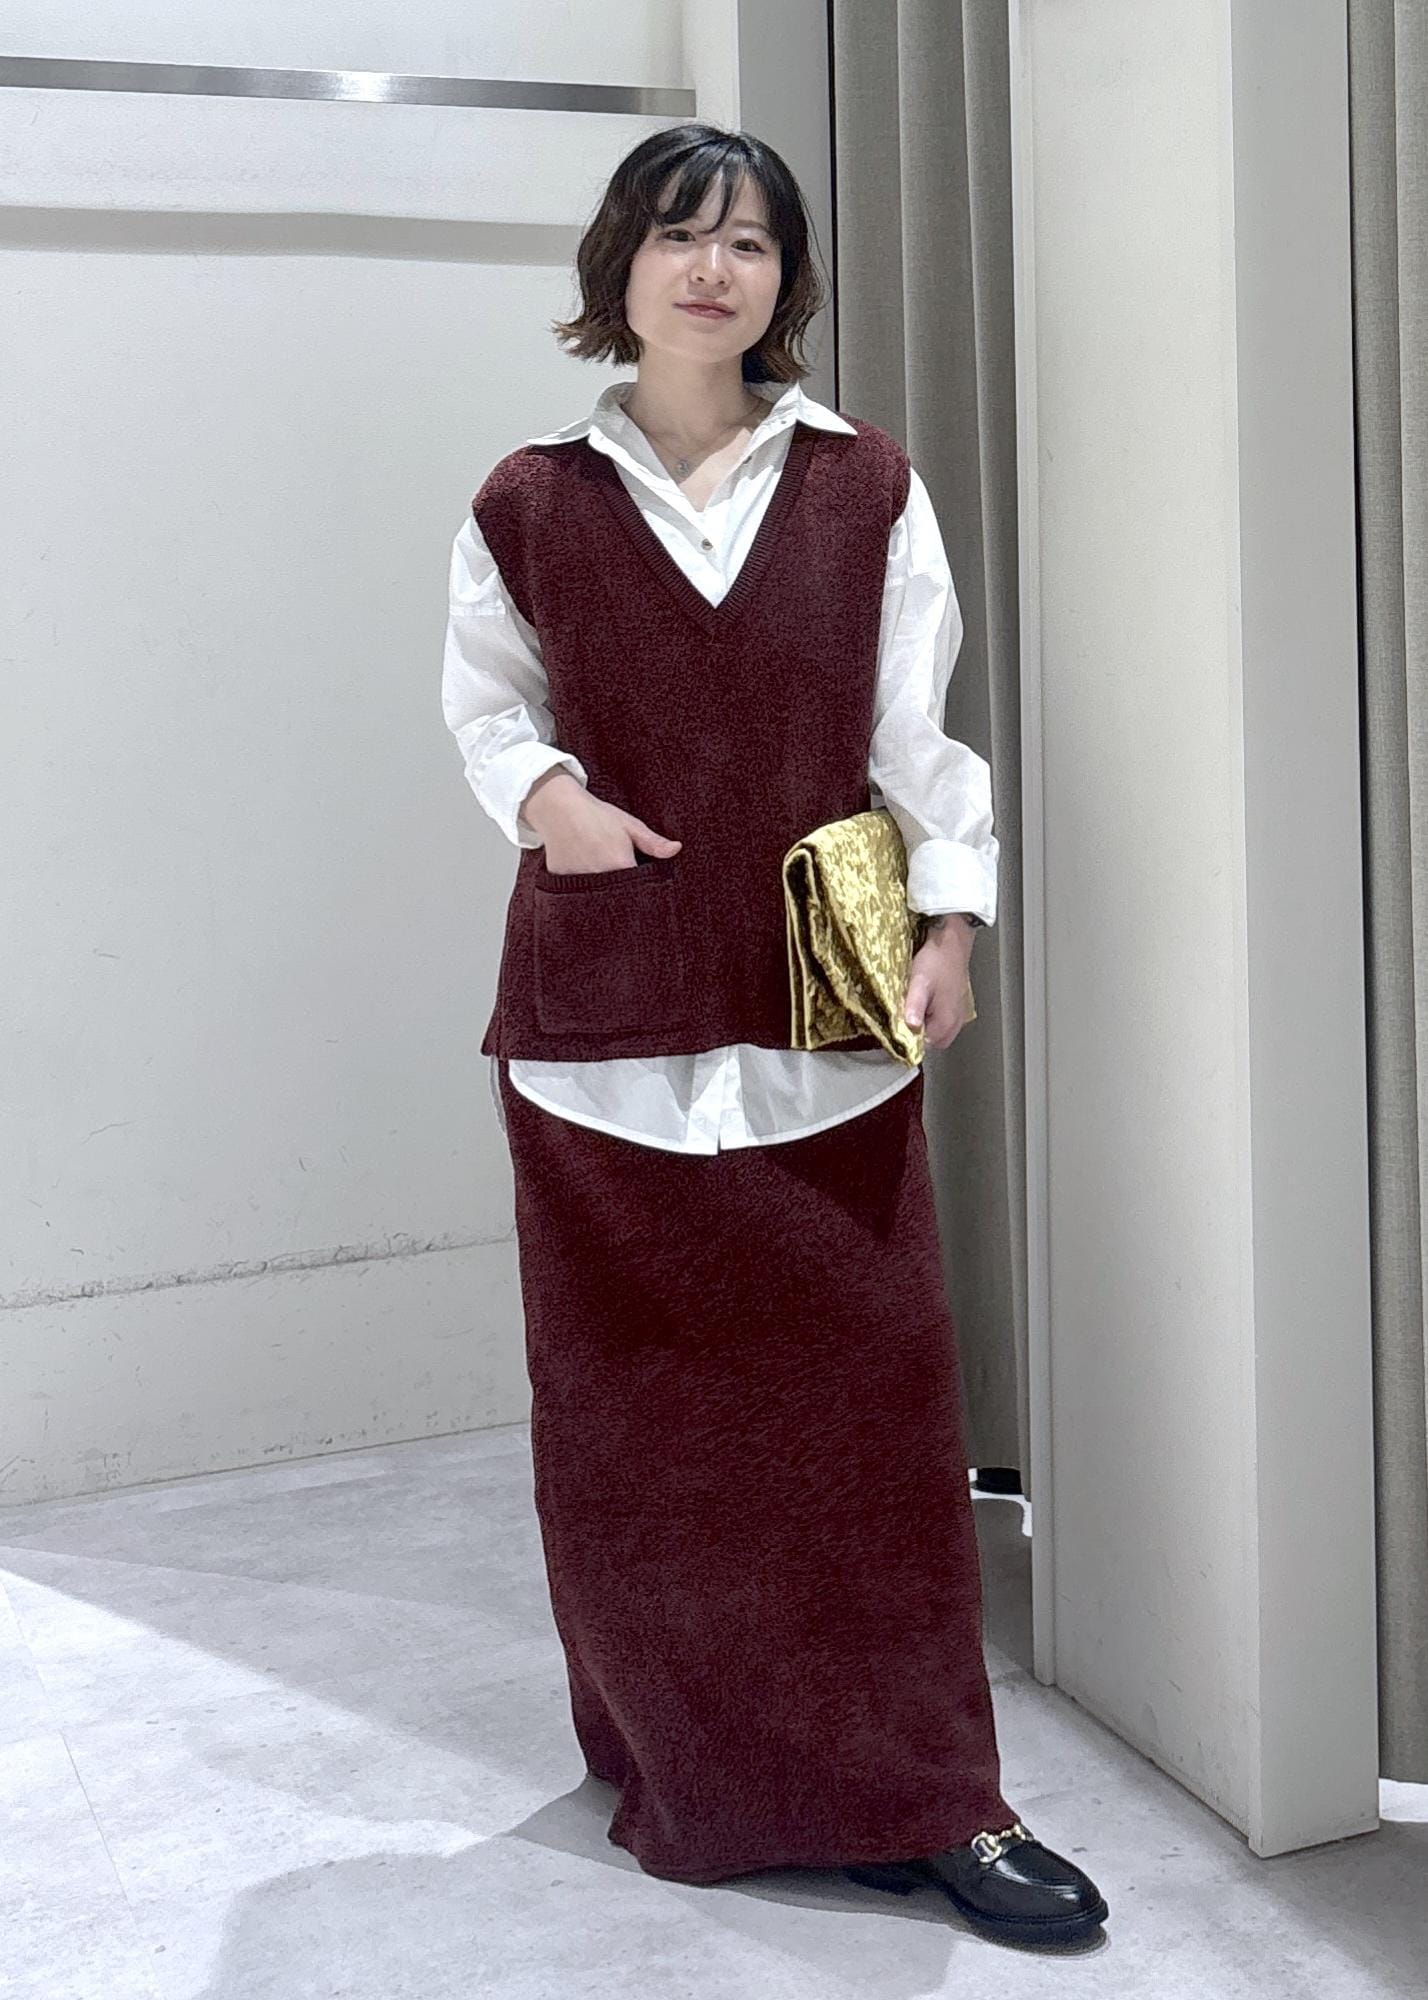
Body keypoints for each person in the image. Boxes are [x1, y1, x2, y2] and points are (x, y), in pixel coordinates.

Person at [441, 121, 1108, 1950]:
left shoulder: (863, 485)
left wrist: (952, 922)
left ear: (785, 280)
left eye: (746, 240)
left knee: (870, 1417)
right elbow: (488, 711)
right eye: (678, 235)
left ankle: (937, 1801)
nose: (711, 268)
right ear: (619, 265)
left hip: (825, 1010)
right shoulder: (527, 500)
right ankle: (693, 1778)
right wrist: (549, 801)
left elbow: (918, 734)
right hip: (602, 1022)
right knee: (635, 1430)